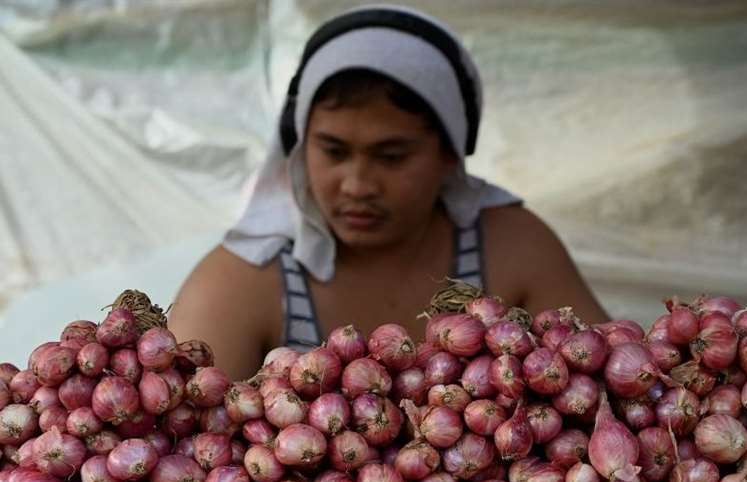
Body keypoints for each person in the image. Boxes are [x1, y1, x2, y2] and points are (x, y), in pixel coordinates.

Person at [168, 4, 609, 381]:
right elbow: (177, 432)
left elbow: (608, 379)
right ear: (300, 148)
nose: (358, 185)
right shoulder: (245, 280)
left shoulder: (513, 248)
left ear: (449, 155)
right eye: (333, 151)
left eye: (392, 156)